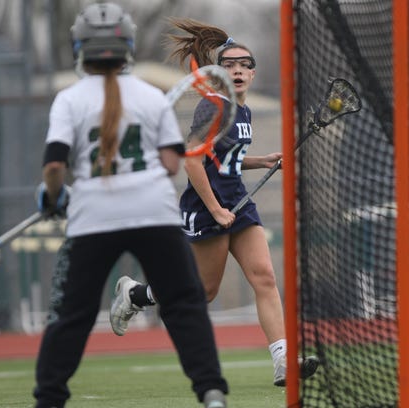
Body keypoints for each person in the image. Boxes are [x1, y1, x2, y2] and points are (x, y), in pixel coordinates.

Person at [32, 4, 228, 408]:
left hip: (92, 218)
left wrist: (54, 197)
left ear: (80, 47)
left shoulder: (68, 99)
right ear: (128, 46)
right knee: (185, 303)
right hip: (153, 214)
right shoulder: (150, 96)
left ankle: (49, 399)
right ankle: (210, 391)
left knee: (71, 316)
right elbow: (173, 161)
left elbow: (54, 165)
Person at [110, 17, 319, 387]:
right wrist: (215, 208)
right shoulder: (214, 107)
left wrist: (261, 160)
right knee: (203, 291)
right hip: (207, 205)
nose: (238, 71)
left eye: (244, 65)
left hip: (238, 201)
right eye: (230, 65)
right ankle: (136, 294)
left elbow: (225, 158)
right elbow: (192, 159)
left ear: (253, 74)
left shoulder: (245, 111)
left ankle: (284, 360)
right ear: (218, 73)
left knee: (265, 277)